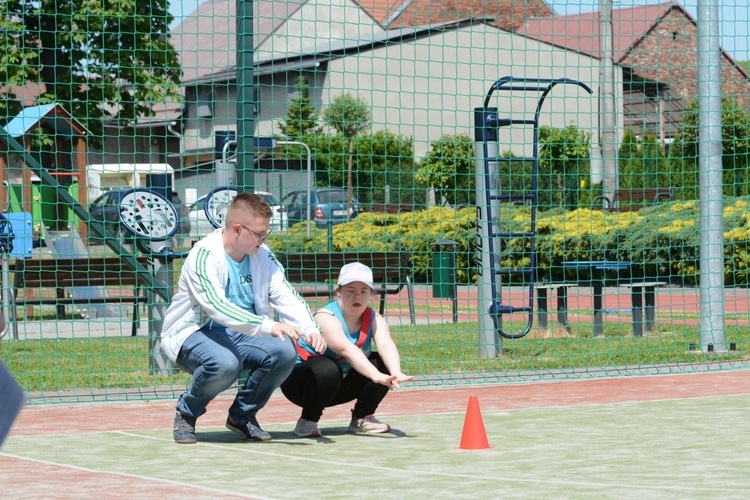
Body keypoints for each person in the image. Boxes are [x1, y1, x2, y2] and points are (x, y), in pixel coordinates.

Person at [161, 192, 326, 444]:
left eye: (266, 233)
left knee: (284, 352)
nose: (264, 239)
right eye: (259, 234)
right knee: (226, 364)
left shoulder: (263, 254)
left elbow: (285, 293)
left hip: (242, 334)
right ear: (237, 229)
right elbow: (218, 307)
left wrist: (309, 328)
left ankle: (242, 415)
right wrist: (268, 325)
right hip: (194, 335)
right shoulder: (204, 255)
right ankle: (186, 412)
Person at [281, 262, 413, 437]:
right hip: (302, 386)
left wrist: (396, 373)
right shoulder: (325, 317)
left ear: (371, 294)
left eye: (363, 291)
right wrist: (375, 375)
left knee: (381, 362)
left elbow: (386, 344)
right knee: (327, 367)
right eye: (351, 291)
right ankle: (307, 420)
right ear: (338, 292)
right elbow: (346, 350)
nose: (357, 296)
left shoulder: (375, 318)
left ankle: (362, 418)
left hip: (338, 387)